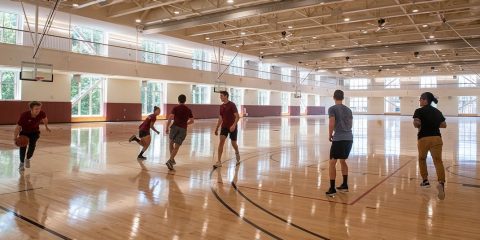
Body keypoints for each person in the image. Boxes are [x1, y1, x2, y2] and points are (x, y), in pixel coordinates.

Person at [413, 92, 447, 200]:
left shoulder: (419, 111)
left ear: (424, 100)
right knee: (438, 161)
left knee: (422, 159)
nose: (419, 101)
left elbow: (416, 124)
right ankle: (441, 183)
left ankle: (425, 181)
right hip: (437, 138)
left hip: (424, 139)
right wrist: (433, 122)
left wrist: (419, 122)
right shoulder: (437, 111)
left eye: (420, 99)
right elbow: (444, 125)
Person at [326, 90, 353, 197]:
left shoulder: (332, 109)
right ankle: (345, 185)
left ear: (334, 97)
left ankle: (332, 188)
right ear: (342, 97)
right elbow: (350, 125)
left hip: (339, 139)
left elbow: (331, 122)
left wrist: (330, 134)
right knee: (343, 161)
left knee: (332, 163)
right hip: (349, 138)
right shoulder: (349, 110)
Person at [14, 101, 51, 172]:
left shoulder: (42, 113)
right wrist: (15, 138)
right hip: (24, 132)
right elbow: (18, 127)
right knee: (23, 147)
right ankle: (21, 163)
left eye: (39, 108)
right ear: (31, 109)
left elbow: (45, 119)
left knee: (32, 146)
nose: (38, 110)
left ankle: (27, 159)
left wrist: (46, 126)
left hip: (35, 132)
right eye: (36, 109)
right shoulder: (24, 115)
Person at [165, 94, 194, 170]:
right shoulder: (188, 109)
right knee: (177, 146)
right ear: (185, 101)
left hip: (174, 127)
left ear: (178, 100)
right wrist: (185, 123)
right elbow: (192, 121)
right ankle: (171, 160)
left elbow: (170, 117)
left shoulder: (175, 108)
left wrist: (167, 127)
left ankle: (171, 159)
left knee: (171, 143)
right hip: (183, 129)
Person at [213, 91, 240, 168]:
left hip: (232, 127)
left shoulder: (232, 105)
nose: (220, 97)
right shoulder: (221, 106)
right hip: (224, 127)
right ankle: (219, 161)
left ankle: (237, 152)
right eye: (220, 96)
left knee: (233, 143)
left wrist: (234, 125)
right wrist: (217, 128)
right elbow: (220, 118)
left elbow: (237, 116)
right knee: (221, 142)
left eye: (221, 96)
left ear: (226, 96)